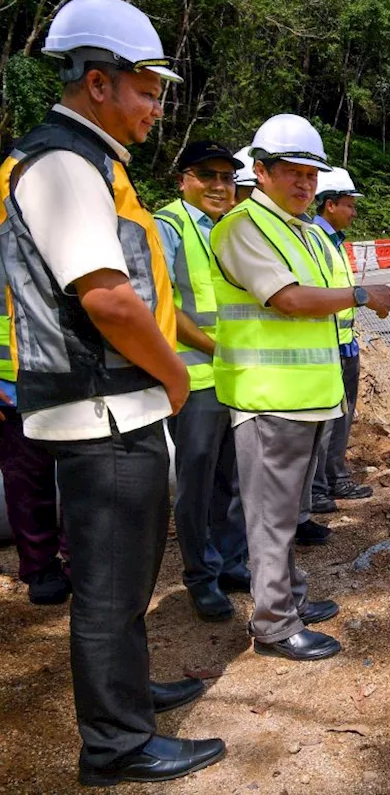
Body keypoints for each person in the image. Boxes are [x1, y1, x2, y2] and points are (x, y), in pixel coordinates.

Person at [0, 0, 224, 785]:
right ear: (98, 83)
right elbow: (106, 296)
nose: (157, 108)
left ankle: (128, 699)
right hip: (104, 407)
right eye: (146, 91)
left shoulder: (87, 162)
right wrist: (171, 372)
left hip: (107, 405)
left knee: (124, 581)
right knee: (107, 589)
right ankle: (116, 745)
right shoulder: (63, 166)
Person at [209, 113, 390, 661]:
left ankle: (289, 599)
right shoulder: (243, 228)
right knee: (270, 520)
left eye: (311, 175)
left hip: (309, 398)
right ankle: (273, 624)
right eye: (291, 172)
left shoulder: (299, 230)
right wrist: (363, 295)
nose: (303, 183)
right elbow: (290, 300)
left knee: (287, 515)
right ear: (262, 171)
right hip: (269, 399)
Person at [153, 141, 251, 621]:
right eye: (207, 176)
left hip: (236, 377)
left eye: (227, 178)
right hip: (195, 379)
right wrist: (220, 350)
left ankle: (231, 561)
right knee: (196, 479)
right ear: (184, 180)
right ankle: (201, 576)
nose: (219, 186)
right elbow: (163, 306)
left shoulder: (230, 229)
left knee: (231, 477)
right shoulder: (168, 226)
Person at [309, 167, 373, 514]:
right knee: (325, 420)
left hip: (345, 343)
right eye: (349, 205)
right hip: (328, 345)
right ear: (330, 205)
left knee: (342, 416)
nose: (353, 212)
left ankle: (335, 477)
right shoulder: (315, 240)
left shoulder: (334, 242)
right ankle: (318, 489)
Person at [0, 291, 67, 605]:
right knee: (25, 484)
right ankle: (40, 567)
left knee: (80, 478)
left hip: (65, 381)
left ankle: (79, 560)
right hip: (9, 389)